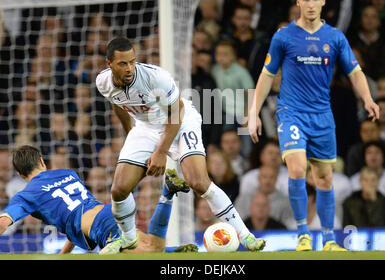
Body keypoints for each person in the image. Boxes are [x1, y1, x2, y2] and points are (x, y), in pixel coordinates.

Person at [95, 37, 265, 252]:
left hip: (181, 122)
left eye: (132, 61)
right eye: (123, 64)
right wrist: (131, 134)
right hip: (146, 128)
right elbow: (118, 103)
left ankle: (245, 236)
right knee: (119, 189)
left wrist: (161, 152)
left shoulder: (155, 77)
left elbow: (177, 112)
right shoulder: (103, 82)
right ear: (109, 64)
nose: (129, 68)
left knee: (198, 182)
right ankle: (128, 237)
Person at [248, 0, 379, 252]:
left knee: (325, 179)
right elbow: (266, 75)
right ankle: (303, 234)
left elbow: (355, 72)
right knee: (296, 169)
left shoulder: (335, 37)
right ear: (298, 2)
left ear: (323, 3)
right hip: (291, 112)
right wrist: (253, 112)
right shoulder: (284, 36)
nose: (310, 5)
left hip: (322, 115)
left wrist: (367, 98)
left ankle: (329, 239)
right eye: (305, 0)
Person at [0, 145, 196, 254]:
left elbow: (3, 222)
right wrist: (63, 256)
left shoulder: (26, 195)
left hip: (101, 228)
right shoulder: (67, 173)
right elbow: (74, 221)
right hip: (109, 213)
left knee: (151, 254)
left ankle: (168, 194)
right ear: (42, 161)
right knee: (154, 247)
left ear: (19, 173)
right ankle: (172, 248)